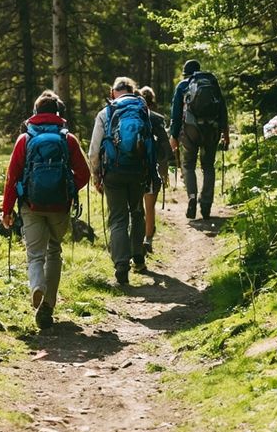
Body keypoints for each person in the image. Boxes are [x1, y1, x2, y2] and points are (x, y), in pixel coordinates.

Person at [1, 90, 91, 329]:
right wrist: (69, 189)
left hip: (31, 204)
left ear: (35, 113)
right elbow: (84, 174)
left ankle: (37, 286)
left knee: (35, 254)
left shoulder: (25, 139)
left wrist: (7, 209)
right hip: (60, 206)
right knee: (54, 251)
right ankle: (48, 306)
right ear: (58, 113)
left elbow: (12, 176)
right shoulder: (68, 139)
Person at [88, 77, 157, 285]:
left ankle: (121, 266)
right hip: (138, 171)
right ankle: (138, 258)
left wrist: (96, 174)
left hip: (113, 172)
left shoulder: (105, 112)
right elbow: (149, 144)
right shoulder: (142, 110)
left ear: (112, 93)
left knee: (118, 218)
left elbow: (93, 151)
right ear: (134, 92)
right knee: (136, 212)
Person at [169, 59, 230, 220]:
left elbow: (175, 115)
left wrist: (173, 136)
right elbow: (222, 108)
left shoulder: (182, 86)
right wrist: (225, 132)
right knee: (208, 166)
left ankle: (192, 197)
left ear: (185, 73)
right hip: (212, 129)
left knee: (188, 165)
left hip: (190, 130)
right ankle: (206, 204)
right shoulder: (212, 84)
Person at [139, 86, 172, 256]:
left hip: (131, 169)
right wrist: (164, 171)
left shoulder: (124, 118)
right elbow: (165, 149)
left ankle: (135, 241)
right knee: (149, 206)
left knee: (135, 207)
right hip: (151, 170)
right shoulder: (157, 119)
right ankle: (148, 239)